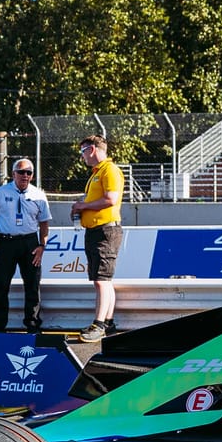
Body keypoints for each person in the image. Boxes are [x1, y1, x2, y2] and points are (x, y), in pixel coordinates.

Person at [0, 157, 53, 333]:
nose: (25, 175)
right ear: (13, 174)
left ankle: (32, 324)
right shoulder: (1, 193)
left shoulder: (39, 195)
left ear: (32, 176)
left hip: (30, 243)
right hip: (6, 243)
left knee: (32, 285)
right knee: (1, 284)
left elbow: (44, 223)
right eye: (21, 172)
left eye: (29, 172)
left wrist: (42, 246)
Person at [71, 134, 124, 342]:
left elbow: (111, 199)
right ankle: (108, 322)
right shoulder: (97, 173)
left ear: (92, 149)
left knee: (102, 280)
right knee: (101, 280)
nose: (82, 157)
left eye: (83, 152)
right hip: (96, 231)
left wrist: (83, 206)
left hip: (105, 230)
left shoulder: (109, 170)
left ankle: (99, 324)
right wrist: (81, 209)